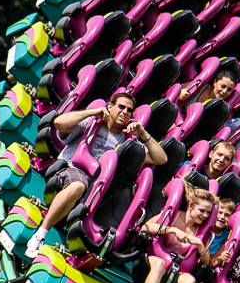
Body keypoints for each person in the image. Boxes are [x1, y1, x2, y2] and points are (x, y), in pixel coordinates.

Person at [25, 93, 167, 259]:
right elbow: (59, 123)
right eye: (121, 107)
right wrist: (91, 112)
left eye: (129, 110)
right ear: (110, 107)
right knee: (78, 186)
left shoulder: (129, 141)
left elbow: (161, 159)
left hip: (101, 186)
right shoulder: (92, 124)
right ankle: (40, 234)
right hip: (76, 171)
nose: (125, 112)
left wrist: (143, 133)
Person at [140, 184, 218, 283]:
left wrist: (200, 244)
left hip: (177, 269)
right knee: (160, 265)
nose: (204, 215)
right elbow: (146, 227)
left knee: (189, 280)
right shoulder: (174, 215)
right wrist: (172, 229)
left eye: (208, 213)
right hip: (157, 259)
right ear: (190, 206)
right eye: (201, 210)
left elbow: (206, 262)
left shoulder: (201, 231)